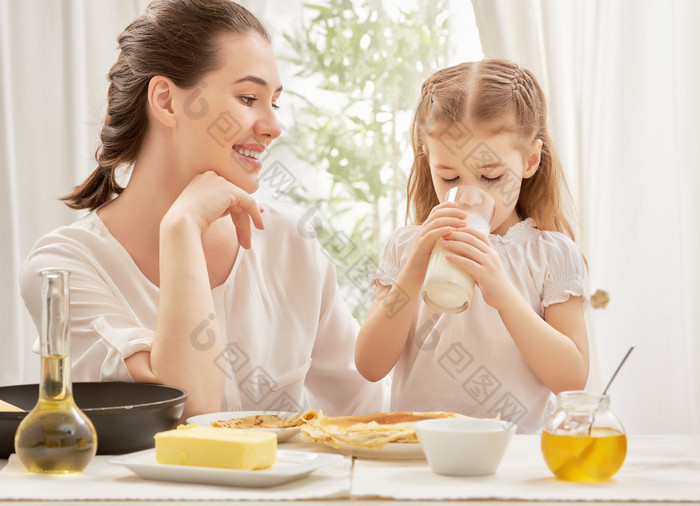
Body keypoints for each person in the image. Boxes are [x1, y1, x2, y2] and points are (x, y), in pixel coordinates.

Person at [19, 0, 387, 419]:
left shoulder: (290, 243)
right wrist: (182, 227)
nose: (273, 127)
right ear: (167, 102)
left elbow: (370, 413)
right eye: (249, 97)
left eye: (274, 103)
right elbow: (186, 411)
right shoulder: (63, 268)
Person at [354, 60, 589, 433]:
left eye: (491, 176)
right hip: (420, 452)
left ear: (529, 161)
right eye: (449, 177)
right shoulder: (406, 247)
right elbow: (369, 365)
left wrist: (502, 292)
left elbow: (572, 380)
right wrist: (414, 270)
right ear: (426, 159)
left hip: (513, 457)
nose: (470, 193)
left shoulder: (550, 255)